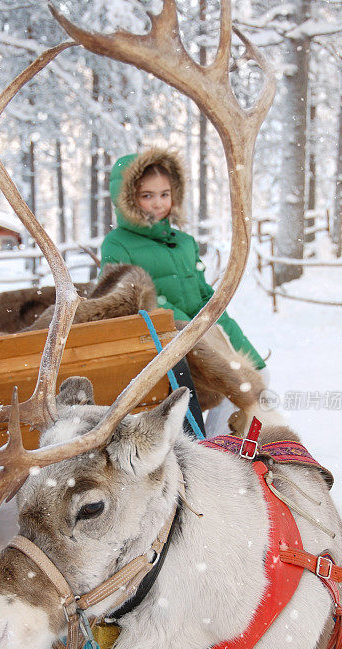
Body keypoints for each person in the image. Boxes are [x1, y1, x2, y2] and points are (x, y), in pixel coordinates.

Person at [100, 147, 267, 434]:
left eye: (164, 194)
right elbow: (130, 298)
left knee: (257, 376)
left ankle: (223, 442)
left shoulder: (184, 241)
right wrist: (193, 329)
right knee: (235, 382)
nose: (157, 203)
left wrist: (232, 337)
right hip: (165, 342)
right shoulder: (117, 244)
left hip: (203, 331)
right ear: (127, 198)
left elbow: (204, 296)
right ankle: (214, 445)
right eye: (147, 195)